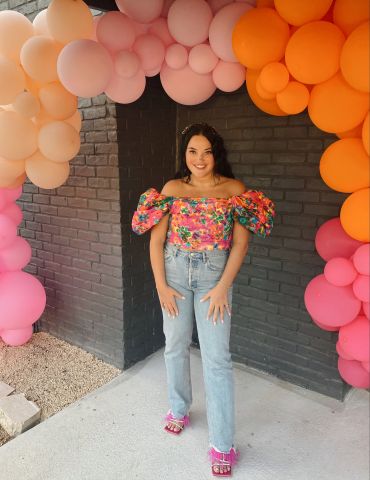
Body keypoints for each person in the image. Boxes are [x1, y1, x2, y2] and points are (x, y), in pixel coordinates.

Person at [132, 123, 274, 477]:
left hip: (214, 276)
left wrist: (223, 286)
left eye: (206, 151)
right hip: (175, 272)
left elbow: (241, 244)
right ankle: (179, 409)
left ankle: (222, 443)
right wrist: (161, 287)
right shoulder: (172, 190)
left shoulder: (234, 190)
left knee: (217, 359)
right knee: (175, 345)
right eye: (192, 151)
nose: (199, 159)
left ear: (216, 153)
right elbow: (155, 242)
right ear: (184, 155)